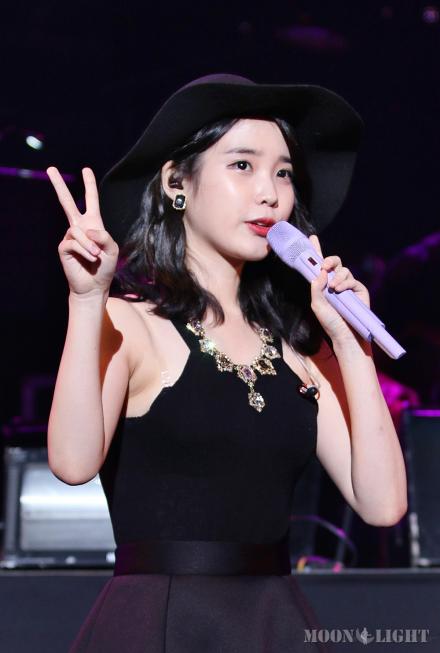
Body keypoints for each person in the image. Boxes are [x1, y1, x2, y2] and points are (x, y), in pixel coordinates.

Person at [46, 73, 408, 653]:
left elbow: (383, 505)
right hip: (160, 624)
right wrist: (87, 302)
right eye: (243, 165)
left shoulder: (300, 345)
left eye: (283, 173)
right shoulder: (130, 322)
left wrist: (350, 343)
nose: (270, 193)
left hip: (275, 621)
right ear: (176, 183)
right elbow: (72, 462)